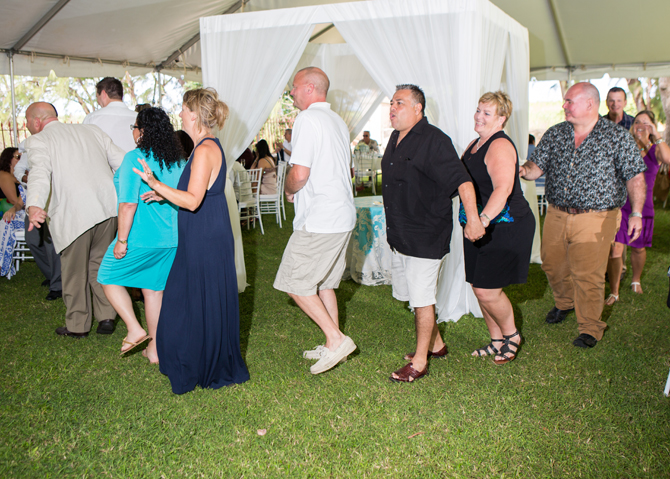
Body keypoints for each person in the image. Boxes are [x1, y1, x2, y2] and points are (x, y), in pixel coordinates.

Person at [134, 87, 249, 394]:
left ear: (195, 114)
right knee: (199, 298)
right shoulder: (207, 146)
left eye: (183, 109)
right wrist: (163, 194)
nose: (180, 114)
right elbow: (196, 194)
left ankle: (196, 361)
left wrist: (155, 182)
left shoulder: (205, 150)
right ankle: (203, 358)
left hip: (204, 235)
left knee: (188, 299)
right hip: (205, 231)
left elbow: (194, 200)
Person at [520, 82, 646, 348]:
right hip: (556, 213)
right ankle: (565, 303)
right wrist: (519, 168)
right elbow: (535, 169)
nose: (563, 106)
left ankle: (590, 327)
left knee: (588, 273)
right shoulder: (555, 134)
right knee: (551, 263)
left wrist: (636, 212)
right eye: (564, 101)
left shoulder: (617, 137)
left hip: (597, 216)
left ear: (590, 104)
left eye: (569, 101)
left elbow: (635, 177)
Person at [383, 84, 483, 383]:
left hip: (426, 235)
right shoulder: (394, 137)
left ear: (418, 108)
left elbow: (463, 182)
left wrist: (474, 220)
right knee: (413, 297)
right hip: (400, 235)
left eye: (399, 102)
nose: (392, 108)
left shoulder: (435, 140)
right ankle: (437, 345)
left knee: (423, 300)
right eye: (391, 102)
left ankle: (420, 361)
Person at [273, 67, 357, 375]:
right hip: (341, 215)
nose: (291, 93)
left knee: (296, 283)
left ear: (309, 88)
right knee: (324, 284)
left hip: (321, 217)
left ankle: (337, 339)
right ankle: (332, 343)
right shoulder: (337, 121)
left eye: (294, 88)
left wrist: (289, 189)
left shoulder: (307, 119)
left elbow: (300, 172)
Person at [24, 102, 125, 338]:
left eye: (28, 121)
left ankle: (78, 325)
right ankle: (107, 316)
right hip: (107, 209)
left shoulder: (38, 140)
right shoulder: (92, 131)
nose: (28, 126)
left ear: (37, 121)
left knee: (74, 271)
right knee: (99, 265)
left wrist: (35, 205)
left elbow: (39, 173)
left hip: (74, 215)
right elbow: (123, 161)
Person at [97, 108, 186, 362]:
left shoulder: (134, 157)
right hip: (170, 239)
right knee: (152, 291)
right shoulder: (177, 160)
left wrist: (122, 240)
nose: (133, 132)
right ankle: (155, 351)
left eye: (134, 127)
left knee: (106, 275)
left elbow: (127, 204)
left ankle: (135, 329)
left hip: (140, 238)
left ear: (142, 131)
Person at [461, 92, 535, 364]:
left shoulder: (500, 145)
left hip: (505, 223)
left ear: (502, 118)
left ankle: (512, 335)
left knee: (487, 290)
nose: (479, 116)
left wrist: (483, 220)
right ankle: (495, 340)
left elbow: (503, 189)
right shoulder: (475, 144)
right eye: (478, 110)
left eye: (487, 113)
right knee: (477, 283)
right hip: (476, 222)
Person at [606, 110, 670, 303]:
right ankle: (614, 290)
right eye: (637, 122)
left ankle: (635, 280)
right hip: (622, 205)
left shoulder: (656, 150)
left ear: (652, 127)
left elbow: (668, 160)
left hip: (644, 207)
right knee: (616, 248)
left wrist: (657, 135)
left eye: (646, 123)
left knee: (639, 248)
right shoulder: (625, 147)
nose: (640, 126)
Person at [83, 77, 137, 152]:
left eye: (97, 97)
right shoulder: (138, 117)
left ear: (103, 94)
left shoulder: (92, 119)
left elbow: (85, 149)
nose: (98, 102)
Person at [0, 147, 26, 278]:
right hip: (7, 210)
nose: (21, 160)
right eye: (18, 157)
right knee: (7, 222)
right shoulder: (4, 175)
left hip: (17, 212)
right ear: (8, 159)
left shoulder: (18, 176)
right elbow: (14, 200)